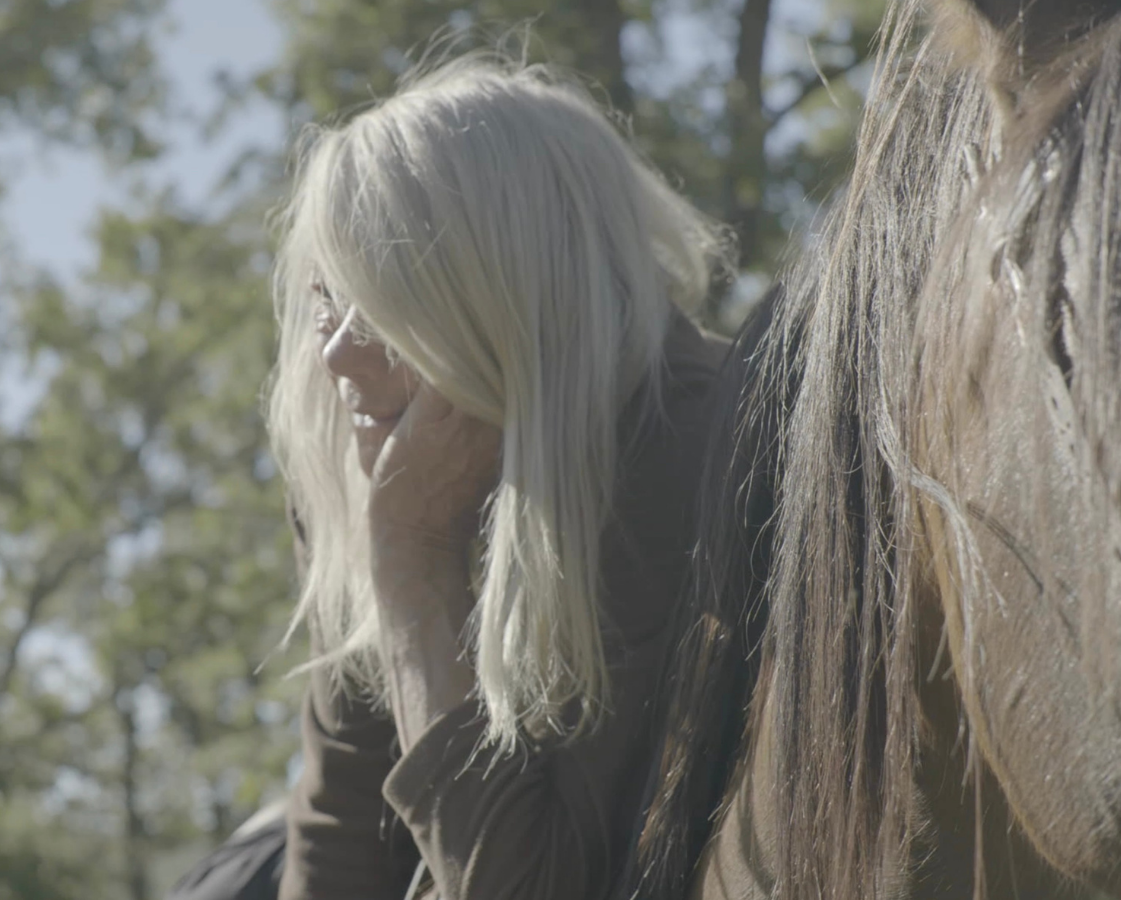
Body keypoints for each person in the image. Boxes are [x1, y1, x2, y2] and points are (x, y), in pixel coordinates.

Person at [171, 51, 729, 900]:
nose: (336, 351)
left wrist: (413, 562)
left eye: (386, 299)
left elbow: (536, 886)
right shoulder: (374, 455)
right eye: (328, 293)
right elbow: (342, 821)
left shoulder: (690, 444)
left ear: (507, 295)